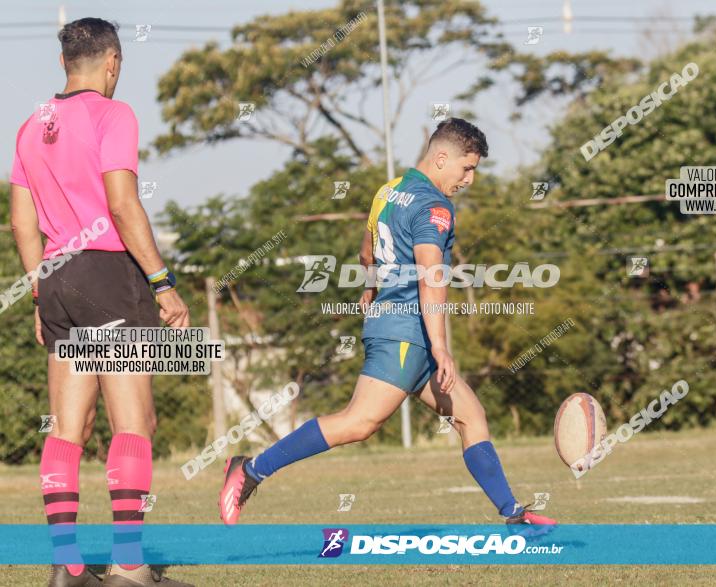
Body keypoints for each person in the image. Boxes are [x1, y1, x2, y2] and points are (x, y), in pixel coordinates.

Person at [219, 118, 556, 529]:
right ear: (441, 156)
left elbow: (366, 252)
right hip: (407, 334)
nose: (470, 179)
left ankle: (512, 514)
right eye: (466, 168)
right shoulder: (434, 207)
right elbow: (432, 278)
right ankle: (250, 470)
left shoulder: (388, 190)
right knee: (359, 422)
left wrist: (371, 286)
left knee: (471, 417)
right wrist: (440, 347)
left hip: (401, 328)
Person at [9, 17, 191, 587]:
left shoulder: (28, 127)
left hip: (56, 276)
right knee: (135, 421)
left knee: (67, 428)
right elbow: (122, 203)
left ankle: (67, 567)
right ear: (113, 62)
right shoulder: (116, 114)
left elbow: (20, 219)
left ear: (65, 63)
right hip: (111, 272)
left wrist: (39, 289)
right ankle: (131, 568)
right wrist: (163, 282)